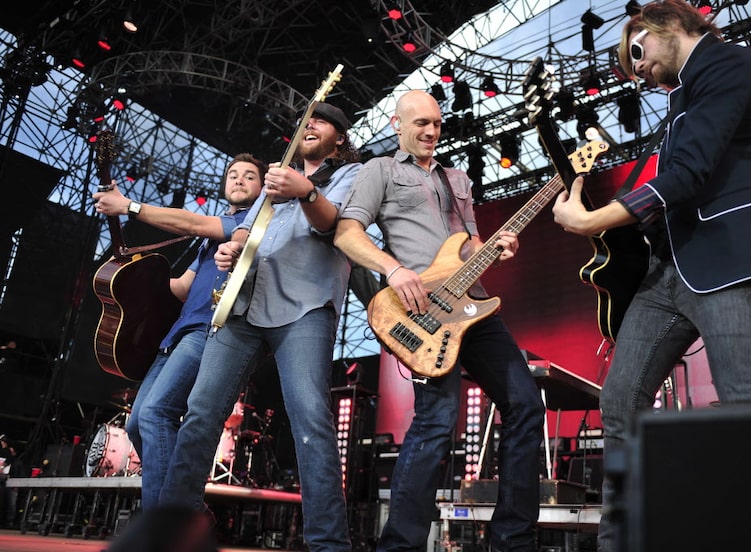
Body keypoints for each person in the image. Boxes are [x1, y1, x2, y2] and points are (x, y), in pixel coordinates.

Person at [551, 1, 751, 549]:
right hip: (670, 271)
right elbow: (674, 187)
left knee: (749, 407)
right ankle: (624, 538)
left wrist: (592, 218)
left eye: (635, 52)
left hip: (730, 259)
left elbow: (689, 173)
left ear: (669, 28)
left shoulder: (730, 65)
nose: (633, 69)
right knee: (620, 401)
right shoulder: (683, 96)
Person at [334, 90, 546, 552]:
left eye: (436, 123)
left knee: (526, 405)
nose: (431, 131)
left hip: (475, 305)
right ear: (397, 124)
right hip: (425, 312)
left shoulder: (457, 178)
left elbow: (467, 244)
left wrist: (494, 247)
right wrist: (393, 268)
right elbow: (347, 234)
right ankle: (400, 545)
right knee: (437, 420)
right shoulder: (381, 171)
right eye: (420, 124)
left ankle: (512, 540)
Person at [157, 103, 361, 552]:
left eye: (320, 122)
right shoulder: (271, 185)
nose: (308, 126)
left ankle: (329, 544)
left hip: (305, 306)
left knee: (310, 418)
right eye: (304, 121)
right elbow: (243, 233)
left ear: (340, 138)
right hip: (243, 306)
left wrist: (306, 192)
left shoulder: (352, 175)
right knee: (200, 412)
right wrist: (230, 250)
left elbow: (337, 226)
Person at [92, 153, 266, 509]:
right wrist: (129, 283)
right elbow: (183, 287)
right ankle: (187, 509)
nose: (239, 180)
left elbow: (192, 223)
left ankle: (164, 523)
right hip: (176, 333)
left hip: (208, 328)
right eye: (233, 174)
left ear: (262, 187)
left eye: (249, 176)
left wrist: (128, 205)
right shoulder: (209, 239)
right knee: (139, 423)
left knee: (158, 413)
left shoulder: (255, 221)